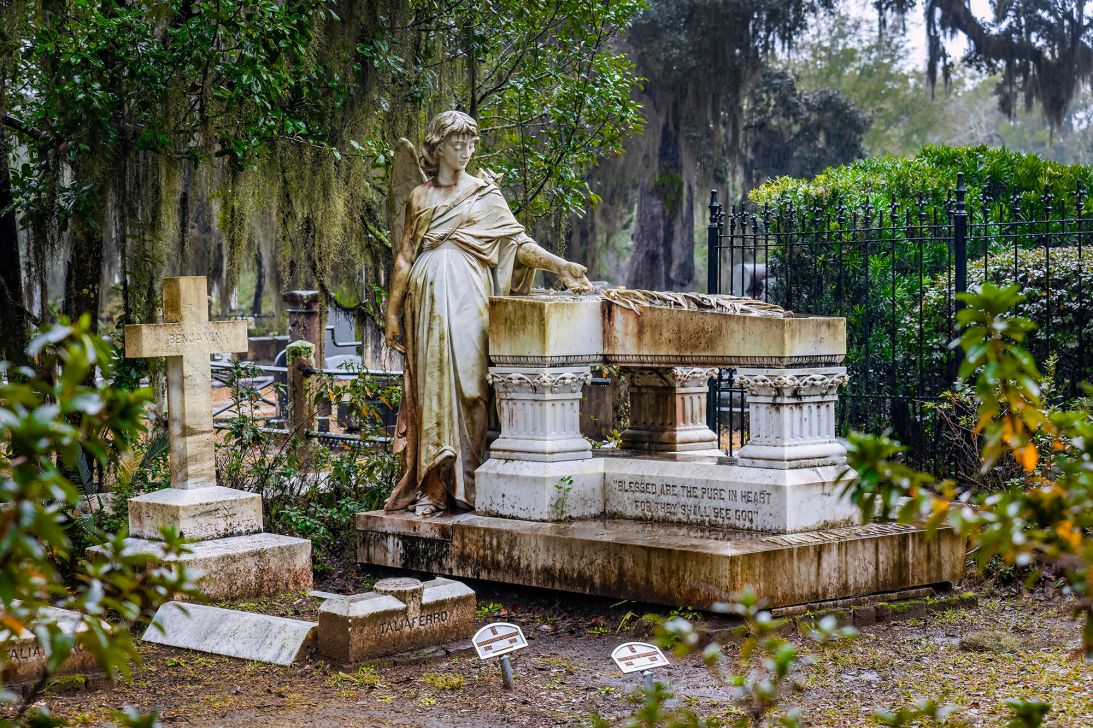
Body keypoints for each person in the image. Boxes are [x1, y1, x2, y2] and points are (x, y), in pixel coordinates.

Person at [384, 111, 593, 516]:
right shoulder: (420, 197)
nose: (465, 150)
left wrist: (560, 265)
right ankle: (433, 488)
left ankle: (472, 480)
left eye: (470, 143)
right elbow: (405, 257)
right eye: (456, 143)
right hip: (425, 302)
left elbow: (518, 244)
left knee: (472, 388)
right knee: (431, 389)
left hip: (469, 297)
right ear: (437, 146)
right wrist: (392, 312)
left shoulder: (484, 194)